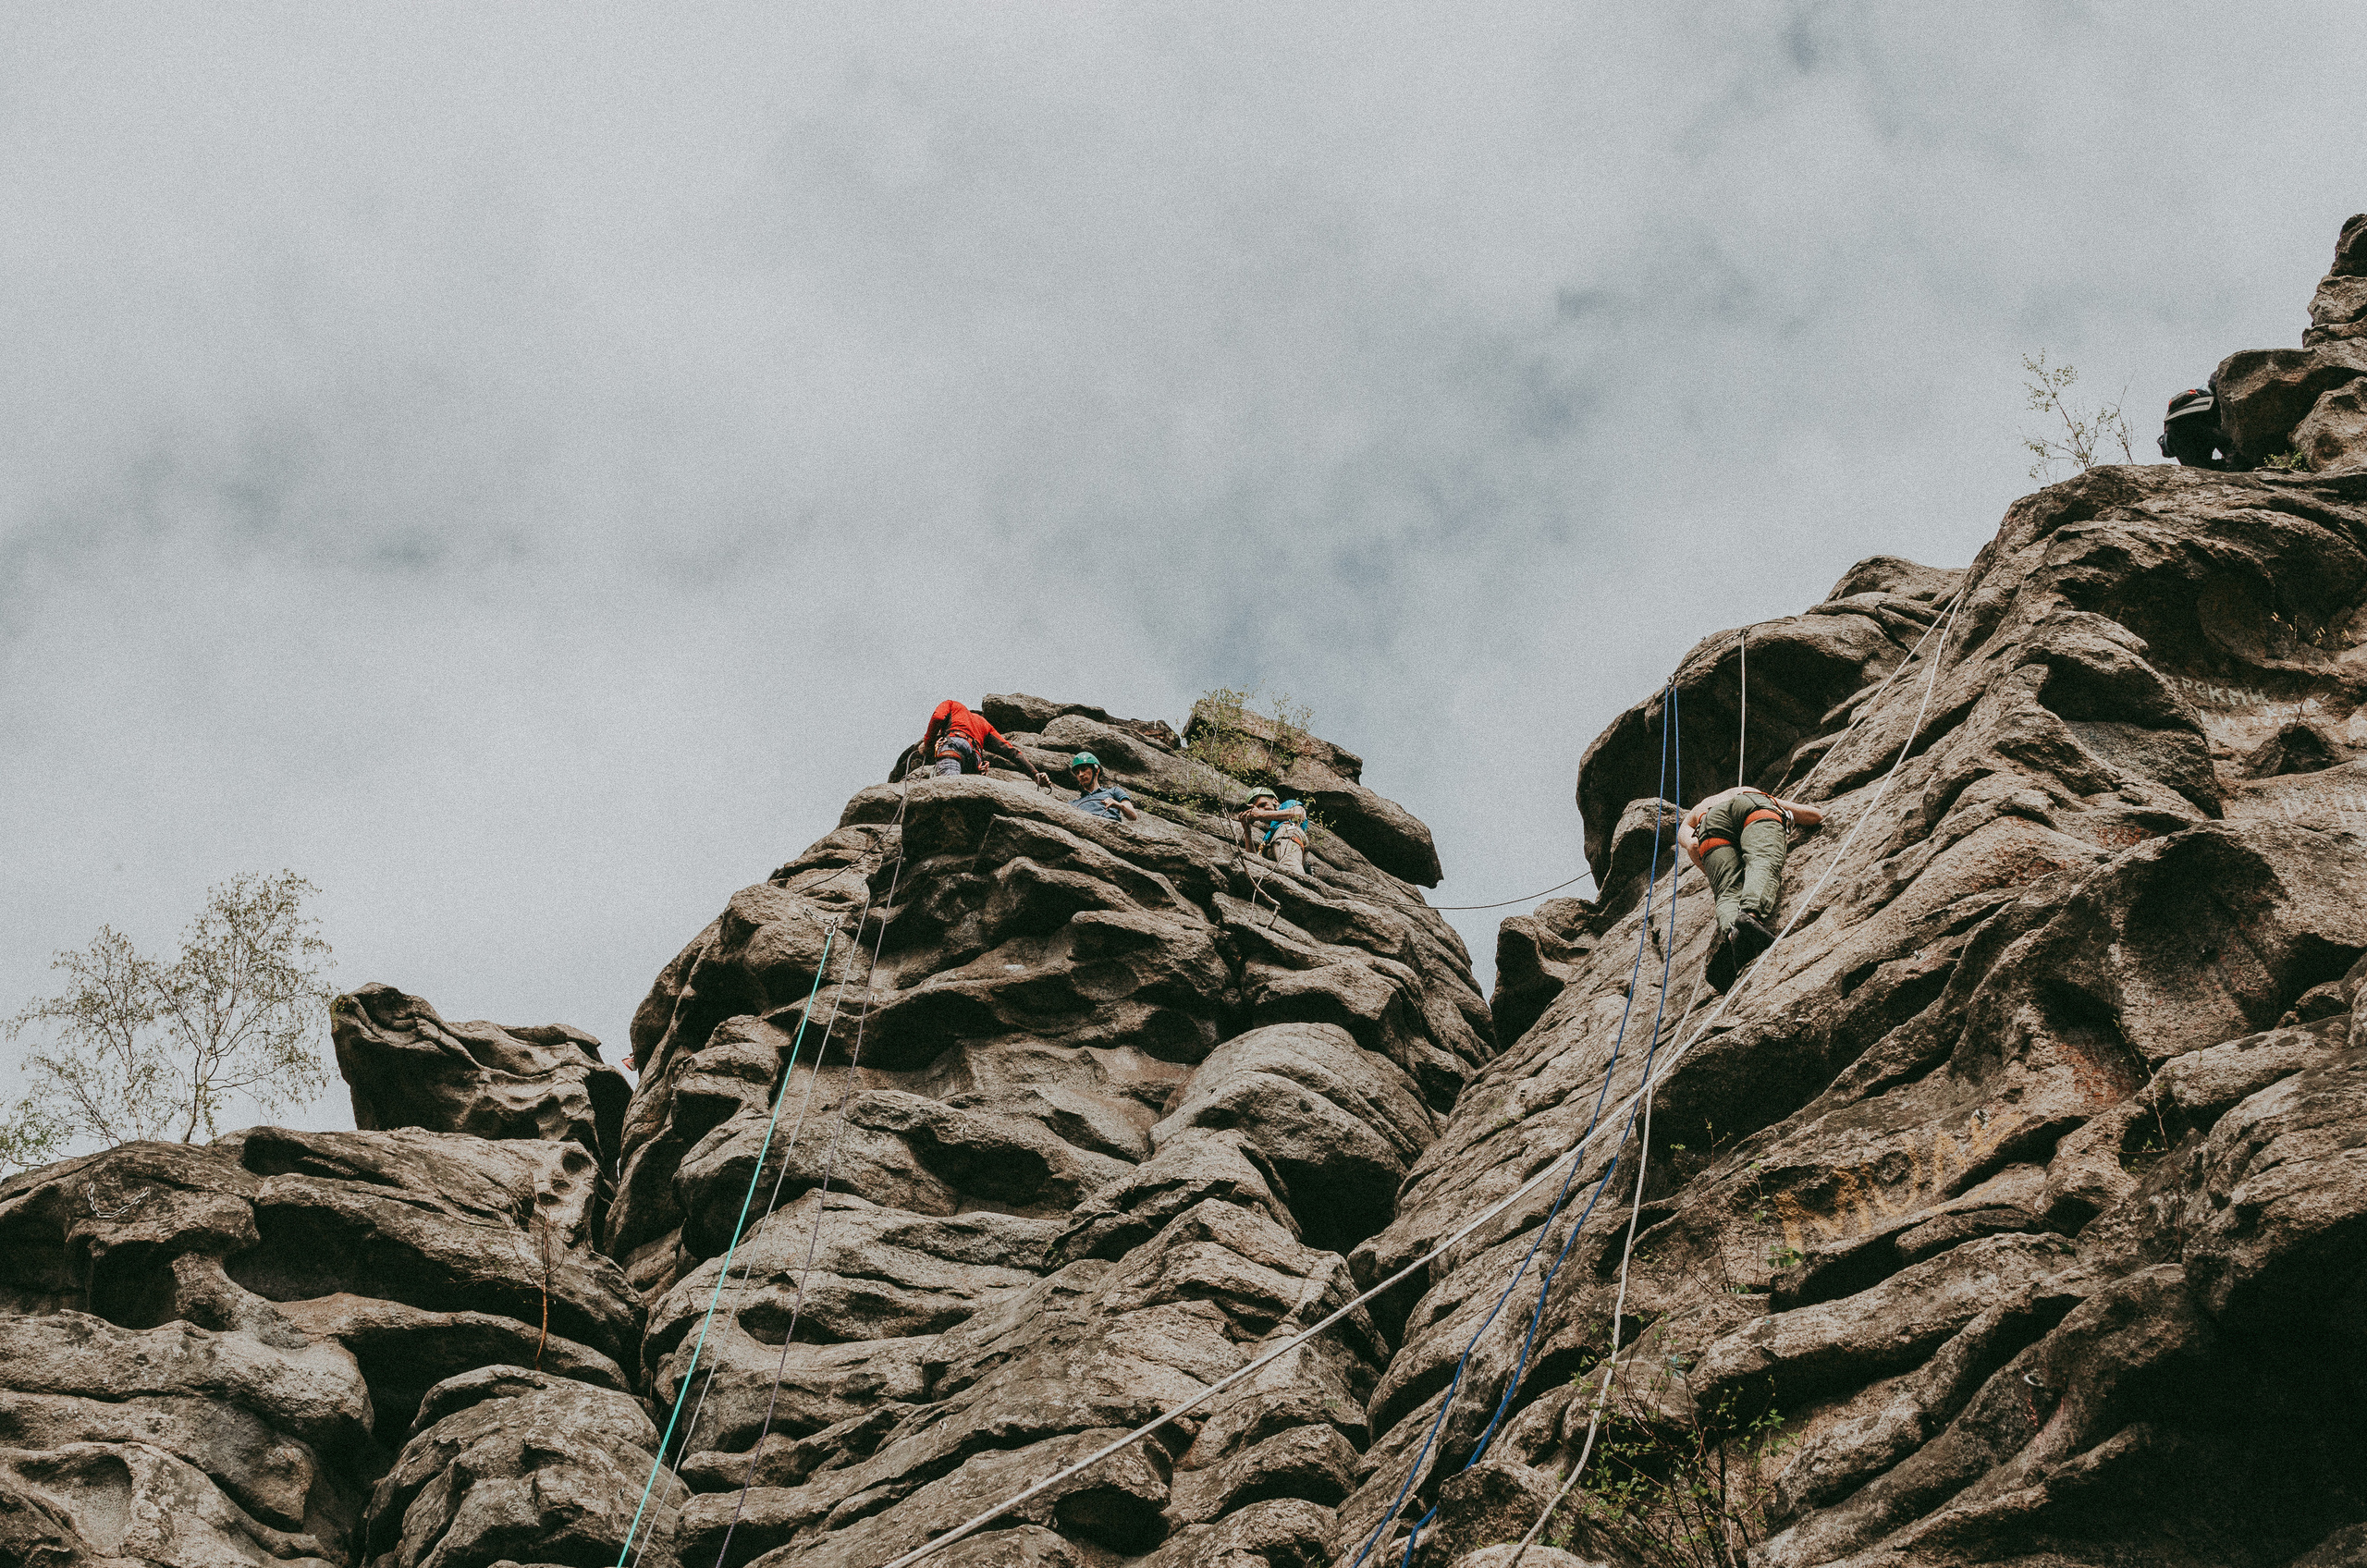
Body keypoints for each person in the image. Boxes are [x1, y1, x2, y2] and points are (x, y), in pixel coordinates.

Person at [1675, 785, 1823, 970]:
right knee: (1762, 860)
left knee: (1726, 892)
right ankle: (1750, 915)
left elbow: (1692, 845)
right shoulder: (1745, 790)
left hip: (1709, 823)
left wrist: (1713, 873)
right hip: (1752, 805)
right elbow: (1812, 815)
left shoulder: (1696, 811)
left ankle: (1733, 934)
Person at [918, 699, 1049, 786]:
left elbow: (938, 717)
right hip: (975, 758)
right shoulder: (983, 723)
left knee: (950, 786)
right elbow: (1010, 751)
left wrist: (928, 744)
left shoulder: (952, 704)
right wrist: (1035, 774)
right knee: (966, 790)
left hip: (954, 744)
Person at [1237, 786, 1309, 874]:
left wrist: (1261, 814)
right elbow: (1254, 860)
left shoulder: (1286, 805)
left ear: (1275, 801)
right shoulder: (1269, 835)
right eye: (1257, 808)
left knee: (1290, 867)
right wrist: (1247, 831)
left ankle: (1294, 873)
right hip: (1279, 846)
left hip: (1290, 833)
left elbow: (1299, 813)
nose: (1260, 810)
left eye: (1263, 805)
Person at [2159, 386, 2234, 470]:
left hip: (2178, 424)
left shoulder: (2189, 456)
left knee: (2204, 466)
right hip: (2202, 410)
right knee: (2231, 457)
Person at [1067, 752, 1139, 823]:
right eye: (1077, 773)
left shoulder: (1114, 791)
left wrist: (1119, 806)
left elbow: (1133, 816)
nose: (1081, 774)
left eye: (1084, 769)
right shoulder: (1073, 804)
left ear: (1096, 770)